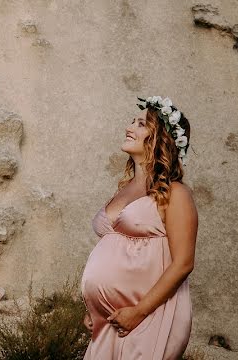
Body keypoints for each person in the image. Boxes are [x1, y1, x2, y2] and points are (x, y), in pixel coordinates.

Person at [80, 96, 197, 359]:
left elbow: (184, 263)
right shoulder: (124, 189)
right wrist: (94, 307)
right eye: (132, 121)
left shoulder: (176, 194)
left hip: (148, 315)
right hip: (110, 320)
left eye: (141, 124)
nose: (129, 127)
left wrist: (139, 311)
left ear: (160, 139)